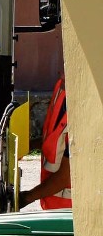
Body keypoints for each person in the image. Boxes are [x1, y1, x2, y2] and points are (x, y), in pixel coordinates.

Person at [19, 75, 71, 209]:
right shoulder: (64, 92)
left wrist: (27, 197)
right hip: (58, 208)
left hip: (68, 212)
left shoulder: (82, 110)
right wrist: (27, 146)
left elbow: (65, 176)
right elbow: (53, 140)